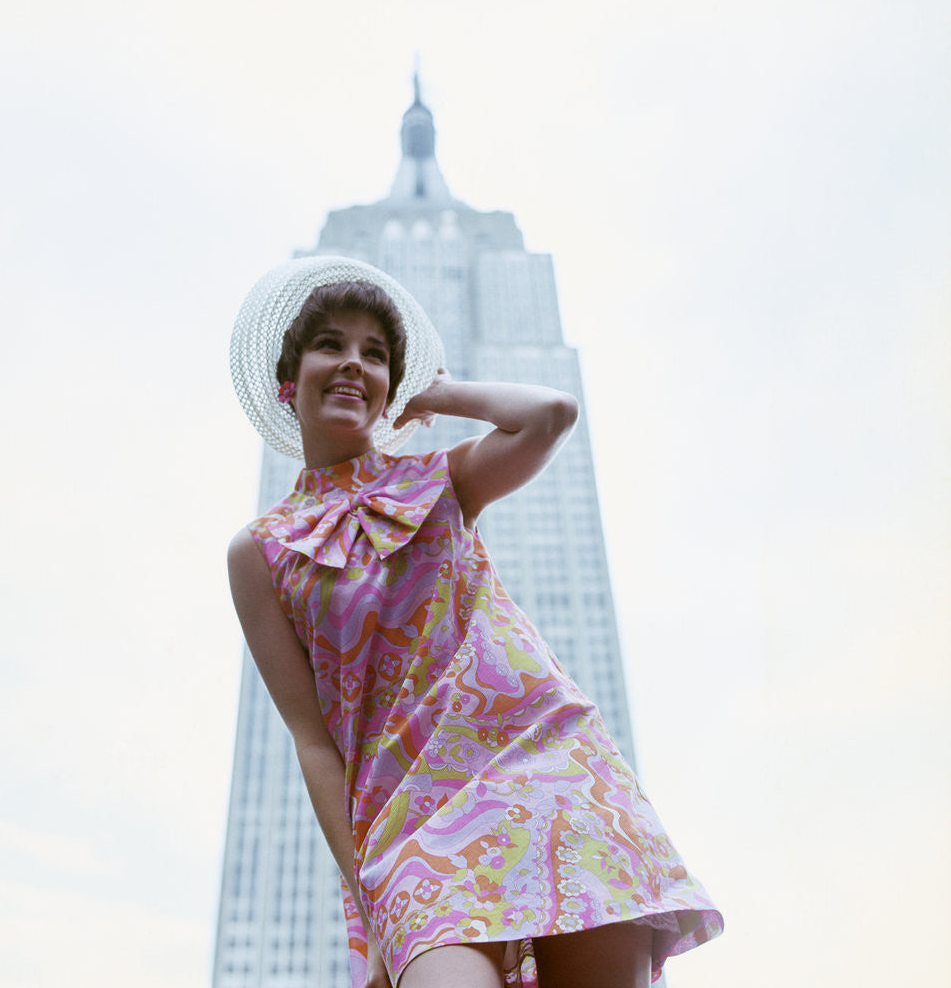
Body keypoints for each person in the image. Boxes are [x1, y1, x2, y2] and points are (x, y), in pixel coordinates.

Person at [227, 257, 722, 988]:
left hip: (548, 771)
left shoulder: (441, 482)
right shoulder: (261, 552)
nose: (353, 365)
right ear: (286, 379)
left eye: (375, 354)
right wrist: (365, 890)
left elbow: (550, 414)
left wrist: (438, 392)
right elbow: (313, 740)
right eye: (331, 345)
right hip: (410, 823)